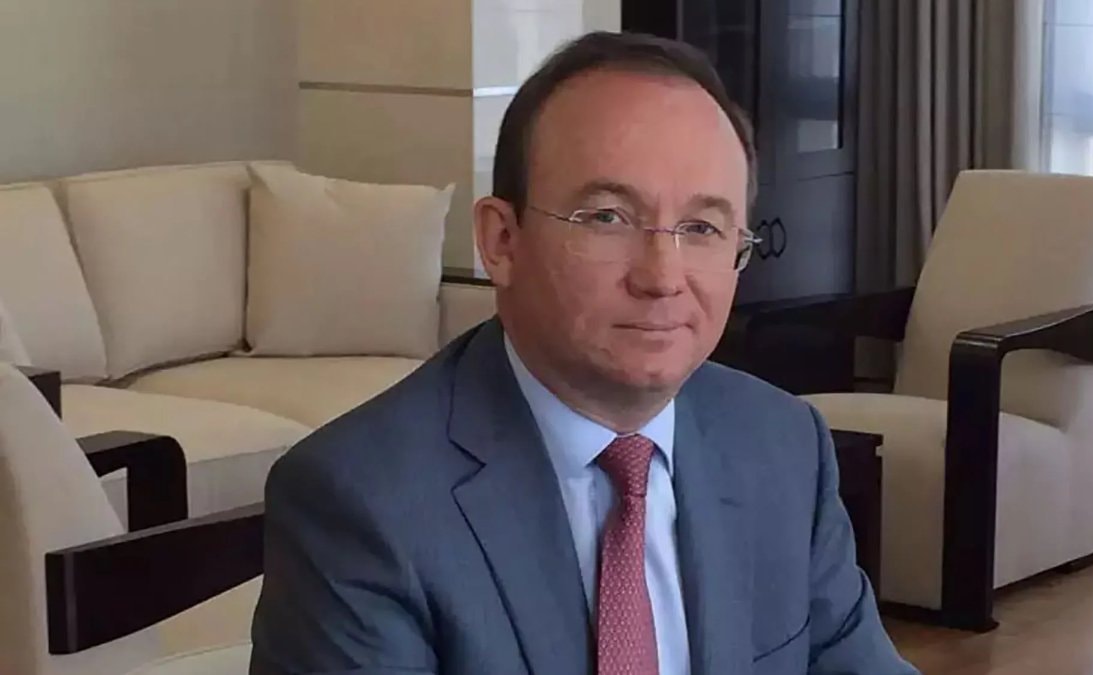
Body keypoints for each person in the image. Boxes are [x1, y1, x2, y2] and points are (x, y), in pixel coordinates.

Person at [249, 30, 918, 675]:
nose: (662, 276)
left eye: (702, 228)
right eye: (607, 218)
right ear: (501, 241)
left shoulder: (782, 444)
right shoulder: (361, 501)